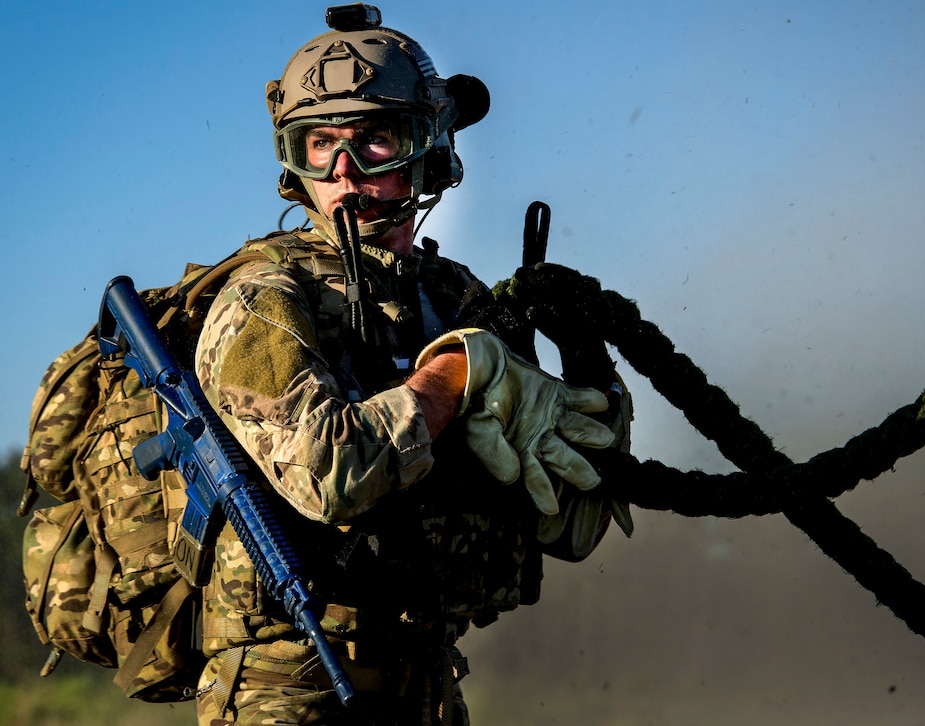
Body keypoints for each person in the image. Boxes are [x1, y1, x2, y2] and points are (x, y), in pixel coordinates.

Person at [191, 5, 633, 725]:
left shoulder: (454, 299)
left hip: (428, 679)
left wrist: (588, 369)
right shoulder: (263, 300)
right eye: (319, 144)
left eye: (374, 140)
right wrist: (455, 375)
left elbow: (573, 523)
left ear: (427, 150)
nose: (342, 171)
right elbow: (325, 473)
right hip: (290, 687)